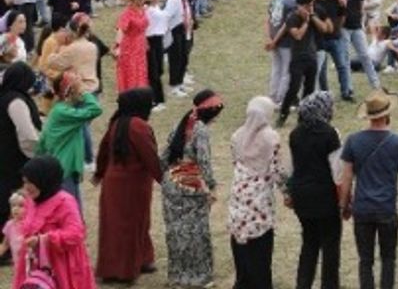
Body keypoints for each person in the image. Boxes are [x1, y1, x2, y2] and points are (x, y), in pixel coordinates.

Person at [339, 90, 398, 289]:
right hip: (387, 208)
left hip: (362, 209)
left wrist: (344, 204)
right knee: (388, 259)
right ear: (387, 115)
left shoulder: (353, 141)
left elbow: (347, 177)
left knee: (365, 260)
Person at [92, 87, 162, 283]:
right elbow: (150, 156)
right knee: (134, 224)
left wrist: (99, 173)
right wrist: (165, 179)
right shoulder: (139, 126)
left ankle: (136, 261)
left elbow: (103, 151)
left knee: (114, 226)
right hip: (134, 184)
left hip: (113, 183)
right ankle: (124, 271)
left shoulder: (117, 123)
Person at [161, 89, 224, 288]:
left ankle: (177, 276)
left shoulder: (181, 123)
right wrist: (212, 187)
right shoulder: (201, 130)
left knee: (175, 231)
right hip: (190, 186)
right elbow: (204, 162)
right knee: (196, 232)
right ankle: (198, 276)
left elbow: (165, 155)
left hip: (171, 182)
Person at [10, 156, 95, 289]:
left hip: (61, 265)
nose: (26, 187)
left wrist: (44, 239)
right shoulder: (32, 200)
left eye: (31, 182)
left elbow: (76, 234)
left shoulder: (65, 202)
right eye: (24, 182)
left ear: (45, 180)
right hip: (34, 264)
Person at [229, 96, 287, 289]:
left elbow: (235, 162)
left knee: (240, 246)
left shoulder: (237, 136)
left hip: (238, 199)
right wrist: (288, 193)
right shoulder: (271, 138)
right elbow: (278, 171)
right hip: (259, 202)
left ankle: (242, 282)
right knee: (260, 250)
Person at [287, 91, 343, 289]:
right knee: (330, 246)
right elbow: (338, 171)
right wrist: (344, 200)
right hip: (325, 197)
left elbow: (291, 168)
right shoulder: (330, 133)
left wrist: (289, 193)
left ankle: (303, 284)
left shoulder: (295, 134)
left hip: (302, 196)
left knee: (309, 243)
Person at [35, 70, 102, 206]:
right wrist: (83, 92)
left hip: (65, 169)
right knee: (70, 216)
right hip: (63, 170)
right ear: (71, 91)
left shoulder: (61, 109)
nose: (82, 88)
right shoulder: (63, 112)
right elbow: (95, 109)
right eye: (78, 85)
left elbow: (42, 143)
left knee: (74, 215)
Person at [0, 62, 40, 258]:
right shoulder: (16, 102)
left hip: (3, 155)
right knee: (11, 203)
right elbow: (27, 135)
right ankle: (6, 247)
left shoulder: (3, 96)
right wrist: (37, 154)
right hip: (13, 159)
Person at [112, 0, 150, 92]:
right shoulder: (127, 13)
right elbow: (121, 30)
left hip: (140, 47)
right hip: (129, 48)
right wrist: (118, 46)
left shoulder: (142, 10)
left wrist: (145, 41)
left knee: (140, 73)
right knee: (131, 73)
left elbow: (143, 29)